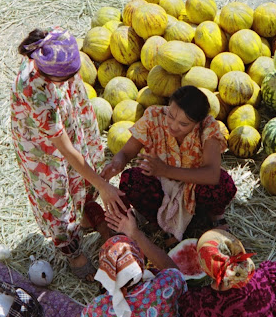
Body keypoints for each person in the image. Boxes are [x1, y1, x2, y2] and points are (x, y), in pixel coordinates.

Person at [11, 27, 126, 281]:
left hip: (67, 120)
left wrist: (97, 180)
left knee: (82, 172)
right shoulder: (34, 90)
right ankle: (73, 253)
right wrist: (103, 185)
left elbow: (77, 150)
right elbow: (65, 150)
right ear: (52, 77)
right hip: (43, 145)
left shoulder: (57, 43)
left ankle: (85, 213)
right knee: (56, 194)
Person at [100, 85, 237, 244]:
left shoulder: (209, 127)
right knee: (130, 180)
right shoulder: (153, 116)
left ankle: (214, 216)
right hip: (161, 187)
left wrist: (165, 170)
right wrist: (117, 163)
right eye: (171, 116)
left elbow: (212, 175)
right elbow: (126, 152)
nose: (173, 125)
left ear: (198, 123)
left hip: (194, 185)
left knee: (222, 183)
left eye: (183, 124)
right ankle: (159, 225)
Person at [74, 209, 190, 317]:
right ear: (141, 261)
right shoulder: (167, 284)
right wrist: (135, 234)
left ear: (106, 274)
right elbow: (173, 270)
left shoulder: (98, 309)